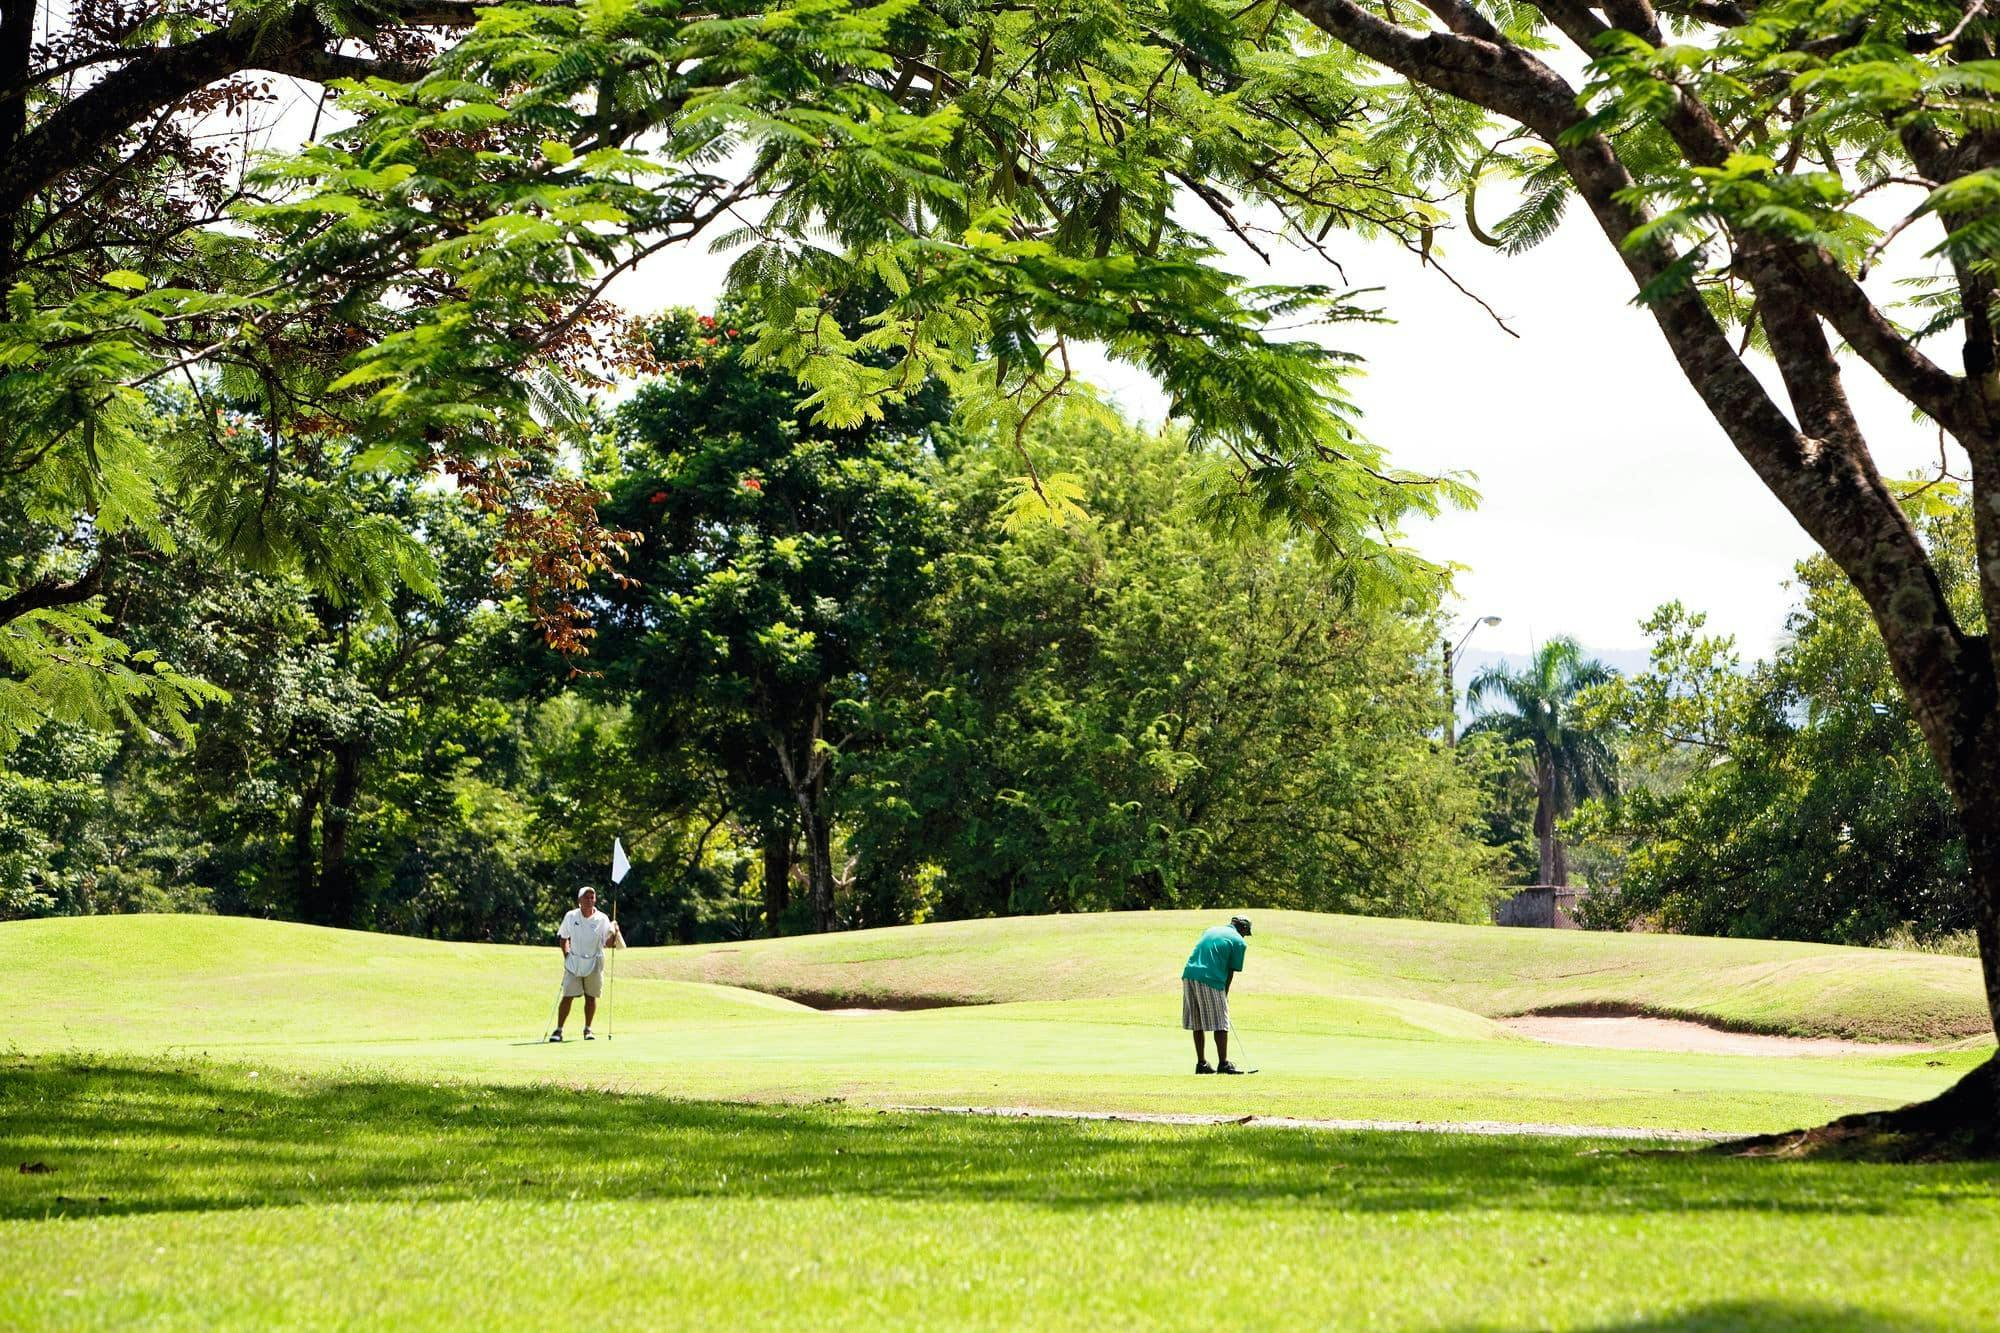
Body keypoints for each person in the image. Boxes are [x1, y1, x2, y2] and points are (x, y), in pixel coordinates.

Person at [550, 886, 623, 1042]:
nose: (590, 900)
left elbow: (608, 944)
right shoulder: (571, 916)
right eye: (586, 897)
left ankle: (588, 1029)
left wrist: (615, 932)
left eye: (592, 897)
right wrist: (567, 956)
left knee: (591, 996)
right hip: (574, 960)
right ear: (579, 900)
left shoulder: (602, 918)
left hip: (595, 961)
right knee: (568, 995)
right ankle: (558, 1030)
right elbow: (564, 938)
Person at [1181, 915, 1250, 1074]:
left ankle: (1201, 1064)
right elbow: (1231, 972)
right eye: (1246, 933)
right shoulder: (1239, 942)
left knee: (1197, 1022)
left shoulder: (1211, 929)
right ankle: (1223, 1064)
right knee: (1221, 1022)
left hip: (1189, 974)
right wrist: (1224, 995)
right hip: (1210, 978)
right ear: (1243, 929)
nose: (1245, 936)